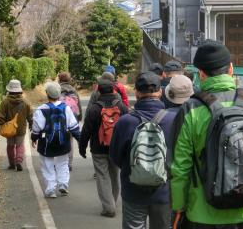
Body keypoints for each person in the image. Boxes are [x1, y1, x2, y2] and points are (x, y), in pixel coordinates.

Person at [171, 41, 243, 228]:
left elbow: (180, 167)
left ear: (201, 74)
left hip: (203, 213)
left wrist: (179, 206)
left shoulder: (191, 109)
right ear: (231, 68)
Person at [110, 71, 177, 229]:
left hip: (133, 189)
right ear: (160, 92)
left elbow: (115, 157)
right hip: (164, 191)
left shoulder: (125, 121)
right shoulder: (173, 120)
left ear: (136, 92)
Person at [79, 78, 128, 217]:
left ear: (98, 91)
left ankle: (108, 207)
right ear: (114, 90)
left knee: (102, 177)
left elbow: (86, 131)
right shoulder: (122, 107)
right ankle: (112, 201)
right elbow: (128, 128)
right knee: (115, 175)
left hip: (98, 148)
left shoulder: (95, 108)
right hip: (117, 148)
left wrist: (82, 148)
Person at [31, 82, 81, 198]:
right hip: (63, 142)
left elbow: (36, 128)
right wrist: (80, 140)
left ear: (47, 94)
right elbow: (73, 126)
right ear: (59, 94)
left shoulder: (41, 110)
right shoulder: (66, 108)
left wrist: (34, 138)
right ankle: (63, 184)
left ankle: (51, 189)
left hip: (46, 143)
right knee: (63, 163)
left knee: (47, 165)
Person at [0, 79, 32, 172]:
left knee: (10, 146)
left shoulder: (5, 102)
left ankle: (12, 164)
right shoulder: (26, 102)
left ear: (9, 90)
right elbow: (30, 116)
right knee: (20, 145)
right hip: (21, 128)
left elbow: (0, 117)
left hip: (9, 128)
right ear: (20, 90)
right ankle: (19, 161)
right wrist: (31, 124)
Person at [58, 72, 83, 171]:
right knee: (70, 141)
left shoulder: (57, 90)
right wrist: (79, 117)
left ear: (60, 80)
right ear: (69, 80)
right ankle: (69, 163)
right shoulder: (74, 91)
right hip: (73, 119)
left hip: (60, 119)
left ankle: (60, 163)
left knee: (59, 140)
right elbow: (78, 105)